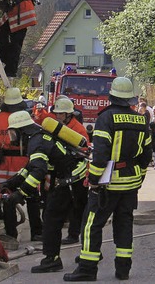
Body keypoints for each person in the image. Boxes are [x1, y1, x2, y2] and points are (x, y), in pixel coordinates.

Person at [65, 77, 151, 281]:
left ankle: (87, 269)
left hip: (107, 183)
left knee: (91, 224)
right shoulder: (141, 120)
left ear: (111, 96)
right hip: (130, 183)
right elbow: (146, 157)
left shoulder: (106, 118)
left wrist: (94, 179)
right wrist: (138, 181)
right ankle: (123, 270)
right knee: (124, 224)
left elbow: (101, 155)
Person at [0, 111, 87, 274]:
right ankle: (88, 256)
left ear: (22, 130)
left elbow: (38, 171)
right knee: (81, 216)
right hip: (73, 178)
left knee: (52, 219)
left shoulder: (35, 141)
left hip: (69, 180)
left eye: (13, 133)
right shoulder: (39, 137)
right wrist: (11, 183)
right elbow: (31, 167)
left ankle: (51, 260)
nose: (12, 138)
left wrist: (21, 193)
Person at [0, 87, 42, 241]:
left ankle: (11, 234)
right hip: (23, 163)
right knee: (32, 199)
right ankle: (37, 232)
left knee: (6, 198)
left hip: (2, 164)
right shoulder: (24, 119)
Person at [49, 98, 90, 246]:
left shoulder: (77, 129)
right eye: (57, 114)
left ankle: (74, 233)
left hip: (76, 172)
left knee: (77, 204)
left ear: (68, 114)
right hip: (62, 170)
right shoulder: (58, 127)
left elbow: (85, 150)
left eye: (60, 114)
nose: (57, 116)